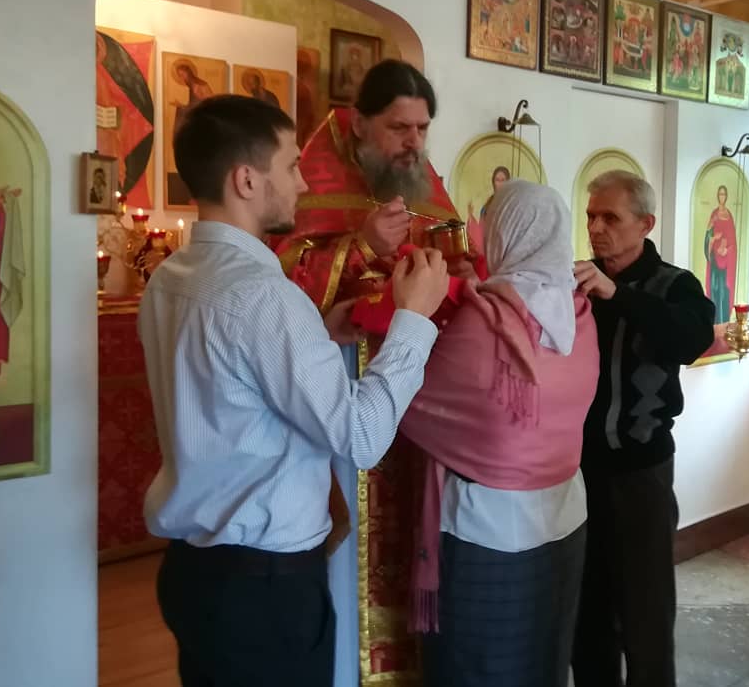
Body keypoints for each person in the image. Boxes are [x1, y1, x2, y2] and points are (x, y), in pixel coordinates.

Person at [138, 94, 451, 687]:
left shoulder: (171, 277)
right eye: (290, 166)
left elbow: (230, 378)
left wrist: (319, 331)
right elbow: (361, 436)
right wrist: (414, 318)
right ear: (246, 180)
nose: (304, 184)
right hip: (264, 590)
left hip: (194, 572)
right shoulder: (263, 295)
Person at [268, 59, 468, 684]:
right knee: (351, 551)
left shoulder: (421, 180)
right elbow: (274, 284)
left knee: (412, 532)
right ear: (359, 124)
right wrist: (357, 245)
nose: (413, 142)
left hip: (417, 395)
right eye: (398, 128)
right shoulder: (311, 176)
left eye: (422, 128)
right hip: (339, 386)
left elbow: (453, 254)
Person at [399, 180, 599, 687]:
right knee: (544, 659)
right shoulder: (581, 316)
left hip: (486, 533)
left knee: (478, 665)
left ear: (507, 234)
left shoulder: (484, 322)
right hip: (565, 521)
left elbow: (410, 406)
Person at [571, 170, 715, 687]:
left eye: (610, 217)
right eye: (591, 216)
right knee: (588, 611)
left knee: (646, 612)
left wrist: (618, 295)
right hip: (580, 473)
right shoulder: (578, 281)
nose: (596, 228)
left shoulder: (675, 285)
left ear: (645, 224)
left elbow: (690, 339)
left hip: (641, 473)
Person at [704, 183, 736, 324]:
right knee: (715, 289)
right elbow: (708, 235)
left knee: (724, 291)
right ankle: (714, 323)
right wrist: (713, 239)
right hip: (715, 260)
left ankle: (724, 323)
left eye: (724, 194)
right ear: (718, 196)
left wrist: (727, 250)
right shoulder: (714, 215)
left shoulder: (729, 216)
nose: (722, 197)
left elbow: (733, 242)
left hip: (726, 263)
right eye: (720, 194)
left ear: (726, 197)